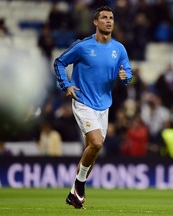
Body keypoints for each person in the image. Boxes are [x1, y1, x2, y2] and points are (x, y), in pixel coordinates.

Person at [53, 5, 132, 209]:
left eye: (111, 18)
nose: (109, 21)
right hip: (83, 101)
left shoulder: (119, 49)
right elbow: (59, 62)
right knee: (96, 143)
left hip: (104, 105)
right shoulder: (83, 46)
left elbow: (128, 73)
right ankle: (80, 183)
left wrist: (125, 77)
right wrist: (66, 85)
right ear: (95, 22)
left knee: (92, 150)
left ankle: (74, 194)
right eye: (104, 17)